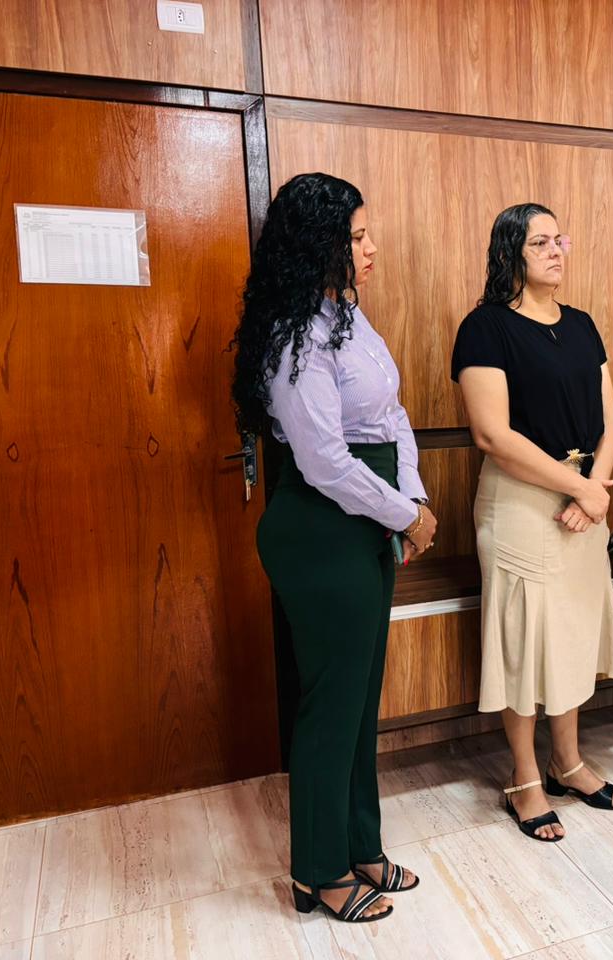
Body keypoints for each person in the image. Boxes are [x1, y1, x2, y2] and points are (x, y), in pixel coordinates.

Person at [231, 173, 437, 923]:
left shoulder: (347, 314)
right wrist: (405, 515)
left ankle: (361, 847)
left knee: (358, 700)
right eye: (356, 236)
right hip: (321, 528)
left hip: (367, 516)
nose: (371, 247)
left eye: (366, 232)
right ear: (317, 244)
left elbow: (393, 416)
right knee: (331, 704)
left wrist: (412, 500)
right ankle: (318, 872)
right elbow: (324, 462)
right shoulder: (295, 338)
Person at [452, 203, 613, 842]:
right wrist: (580, 488)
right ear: (510, 254)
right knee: (524, 641)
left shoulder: (581, 324)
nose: (556, 251)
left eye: (560, 239)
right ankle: (525, 777)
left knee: (573, 632)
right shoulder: (485, 327)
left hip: (586, 498)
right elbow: (492, 435)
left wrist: (593, 489)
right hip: (522, 501)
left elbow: (612, 418)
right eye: (540, 243)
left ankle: (568, 762)